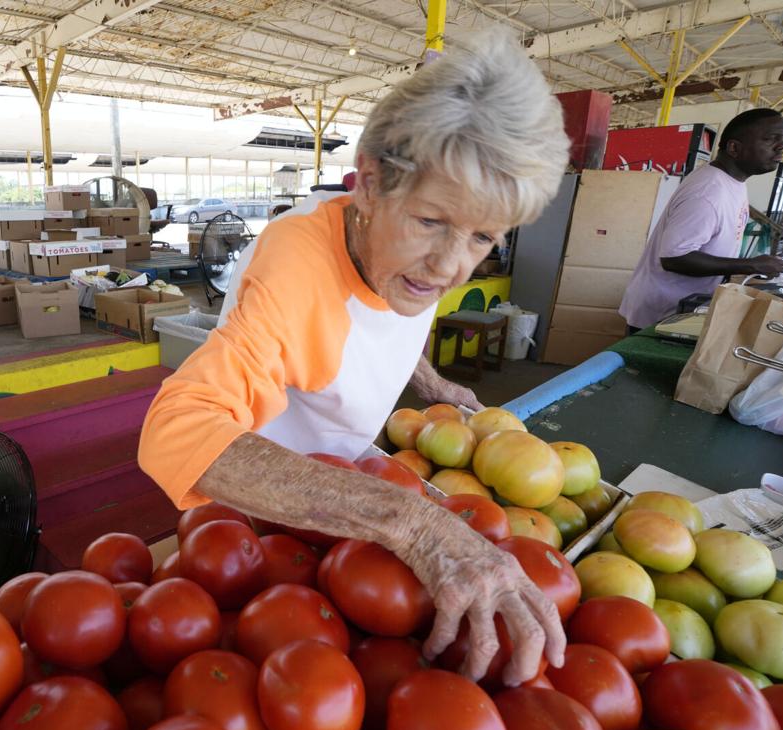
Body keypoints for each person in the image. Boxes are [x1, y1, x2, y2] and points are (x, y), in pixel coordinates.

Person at [139, 30, 571, 685]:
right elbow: (176, 432)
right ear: (368, 182)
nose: (453, 265)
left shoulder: (402, 255)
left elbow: (400, 316)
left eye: (483, 237)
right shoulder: (295, 269)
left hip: (349, 492)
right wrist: (416, 527)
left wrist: (428, 378)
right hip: (266, 518)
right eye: (431, 223)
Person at [619, 109, 783, 332]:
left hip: (686, 307)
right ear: (734, 148)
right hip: (661, 313)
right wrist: (751, 265)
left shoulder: (733, 183)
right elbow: (674, 258)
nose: (781, 146)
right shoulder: (708, 191)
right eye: (770, 139)